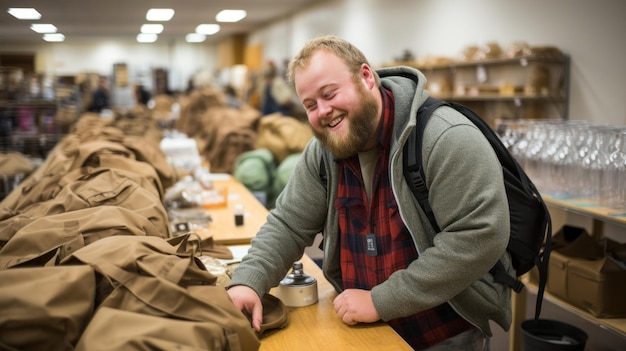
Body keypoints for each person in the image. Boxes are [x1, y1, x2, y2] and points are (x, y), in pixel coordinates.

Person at [226, 35, 512, 350]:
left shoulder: (445, 137)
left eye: (330, 94)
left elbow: (479, 236)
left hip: (443, 332)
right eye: (310, 105)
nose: (323, 111)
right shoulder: (323, 150)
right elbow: (289, 224)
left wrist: (381, 300)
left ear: (365, 77)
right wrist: (248, 282)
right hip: (363, 329)